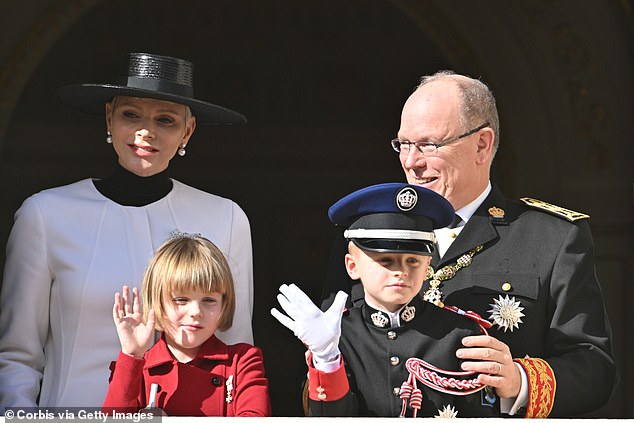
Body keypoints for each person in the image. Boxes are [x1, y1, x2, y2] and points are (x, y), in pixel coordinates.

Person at [320, 71, 617, 417]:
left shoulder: (551, 238)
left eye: (429, 145)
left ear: (482, 144)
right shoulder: (364, 237)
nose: (411, 161)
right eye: (403, 144)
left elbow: (594, 368)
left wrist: (519, 380)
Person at [0, 52, 254, 409]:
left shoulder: (225, 218)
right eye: (130, 114)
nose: (145, 131)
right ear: (109, 117)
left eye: (165, 119)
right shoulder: (45, 214)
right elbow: (16, 355)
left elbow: (236, 354)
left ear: (188, 130)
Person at [273, 182, 506, 417]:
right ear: (352, 267)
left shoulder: (461, 334)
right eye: (386, 261)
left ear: (427, 267)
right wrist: (326, 359)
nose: (400, 271)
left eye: (412, 261)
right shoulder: (338, 336)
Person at [103, 233, 270, 416]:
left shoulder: (242, 361)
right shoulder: (139, 368)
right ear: (157, 302)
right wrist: (132, 355)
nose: (196, 311)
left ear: (224, 304)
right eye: (181, 300)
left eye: (209, 300)